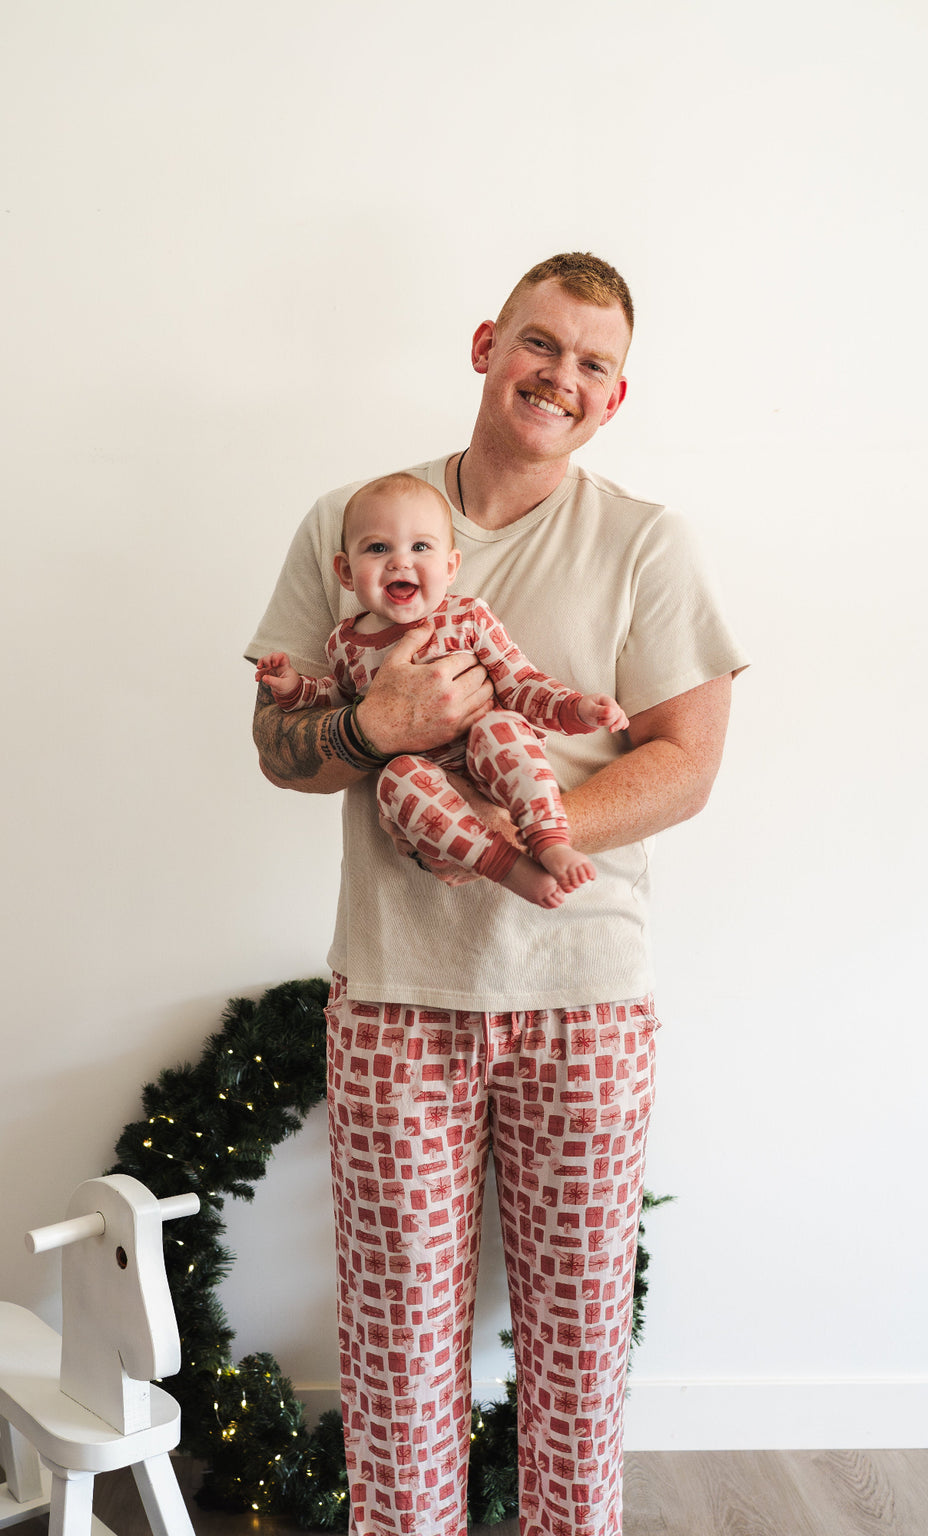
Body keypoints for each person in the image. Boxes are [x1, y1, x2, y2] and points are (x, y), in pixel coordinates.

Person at [248, 252, 747, 1536]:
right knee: (396, 1344)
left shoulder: (646, 541)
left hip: (585, 997)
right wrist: (375, 727)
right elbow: (278, 747)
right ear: (486, 345)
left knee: (577, 1346)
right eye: (539, 343)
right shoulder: (356, 520)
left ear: (614, 397)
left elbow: (685, 764)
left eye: (591, 363)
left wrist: (518, 834)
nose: (558, 376)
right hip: (395, 996)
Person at [254, 471, 629, 909]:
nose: (399, 562)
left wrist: (576, 708)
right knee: (396, 778)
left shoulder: (467, 618)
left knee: (502, 726)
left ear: (450, 567)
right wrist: (294, 689)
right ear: (346, 572)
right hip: (428, 781)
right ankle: (507, 866)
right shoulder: (343, 644)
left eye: (420, 547)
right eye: (377, 548)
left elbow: (520, 681)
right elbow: (338, 699)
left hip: (491, 760)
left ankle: (549, 839)